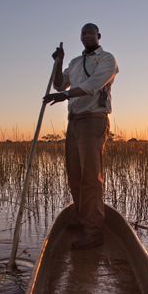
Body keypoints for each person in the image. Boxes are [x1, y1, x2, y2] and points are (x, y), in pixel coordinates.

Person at [43, 23, 119, 250]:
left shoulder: (106, 59)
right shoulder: (75, 62)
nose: (86, 36)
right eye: (83, 33)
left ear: (98, 36)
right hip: (74, 121)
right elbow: (59, 82)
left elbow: (93, 85)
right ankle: (82, 219)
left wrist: (65, 95)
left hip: (93, 119)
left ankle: (94, 232)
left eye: (90, 32)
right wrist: (58, 62)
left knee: (90, 176)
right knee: (74, 174)